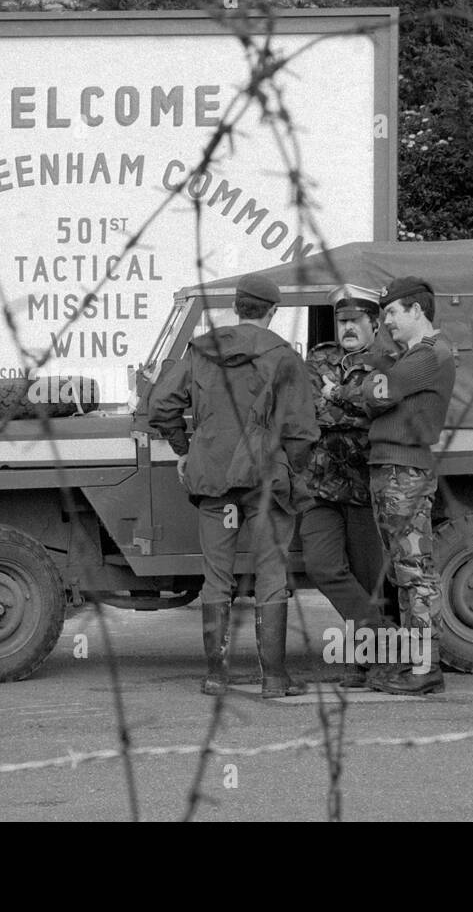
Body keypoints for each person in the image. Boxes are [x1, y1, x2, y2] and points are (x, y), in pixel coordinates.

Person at [149, 273, 319, 698]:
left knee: (216, 577)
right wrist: (290, 470)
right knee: (271, 575)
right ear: (272, 311)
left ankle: (215, 675)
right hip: (266, 480)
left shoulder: (202, 350)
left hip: (213, 478)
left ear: (237, 306)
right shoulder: (283, 356)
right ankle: (274, 678)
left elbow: (161, 404)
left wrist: (184, 448)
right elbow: (302, 431)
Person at [359, 277, 456, 695]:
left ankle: (425, 667)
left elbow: (378, 392)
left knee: (414, 572)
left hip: (405, 470)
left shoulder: (429, 354)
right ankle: (413, 663)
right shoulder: (412, 356)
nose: (387, 322)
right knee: (402, 570)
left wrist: (358, 389)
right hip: (393, 468)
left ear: (418, 310)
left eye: (394, 313)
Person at [300, 285, 396, 687]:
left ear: (374, 323)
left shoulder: (389, 361)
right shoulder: (319, 357)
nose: (347, 328)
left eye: (355, 321)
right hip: (320, 486)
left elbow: (379, 412)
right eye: (342, 322)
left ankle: (370, 662)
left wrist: (336, 400)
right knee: (322, 566)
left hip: (365, 484)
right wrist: (347, 403)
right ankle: (383, 642)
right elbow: (308, 411)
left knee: (370, 576)